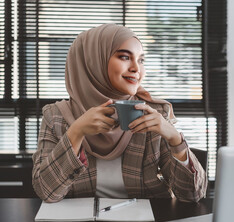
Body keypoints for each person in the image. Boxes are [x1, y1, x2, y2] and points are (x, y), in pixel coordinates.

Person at [32, 24, 207, 203]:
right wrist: (76, 132)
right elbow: (47, 192)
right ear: (93, 61)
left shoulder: (152, 114)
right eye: (125, 57)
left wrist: (174, 137)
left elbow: (192, 195)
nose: (136, 69)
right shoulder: (55, 116)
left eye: (140, 60)